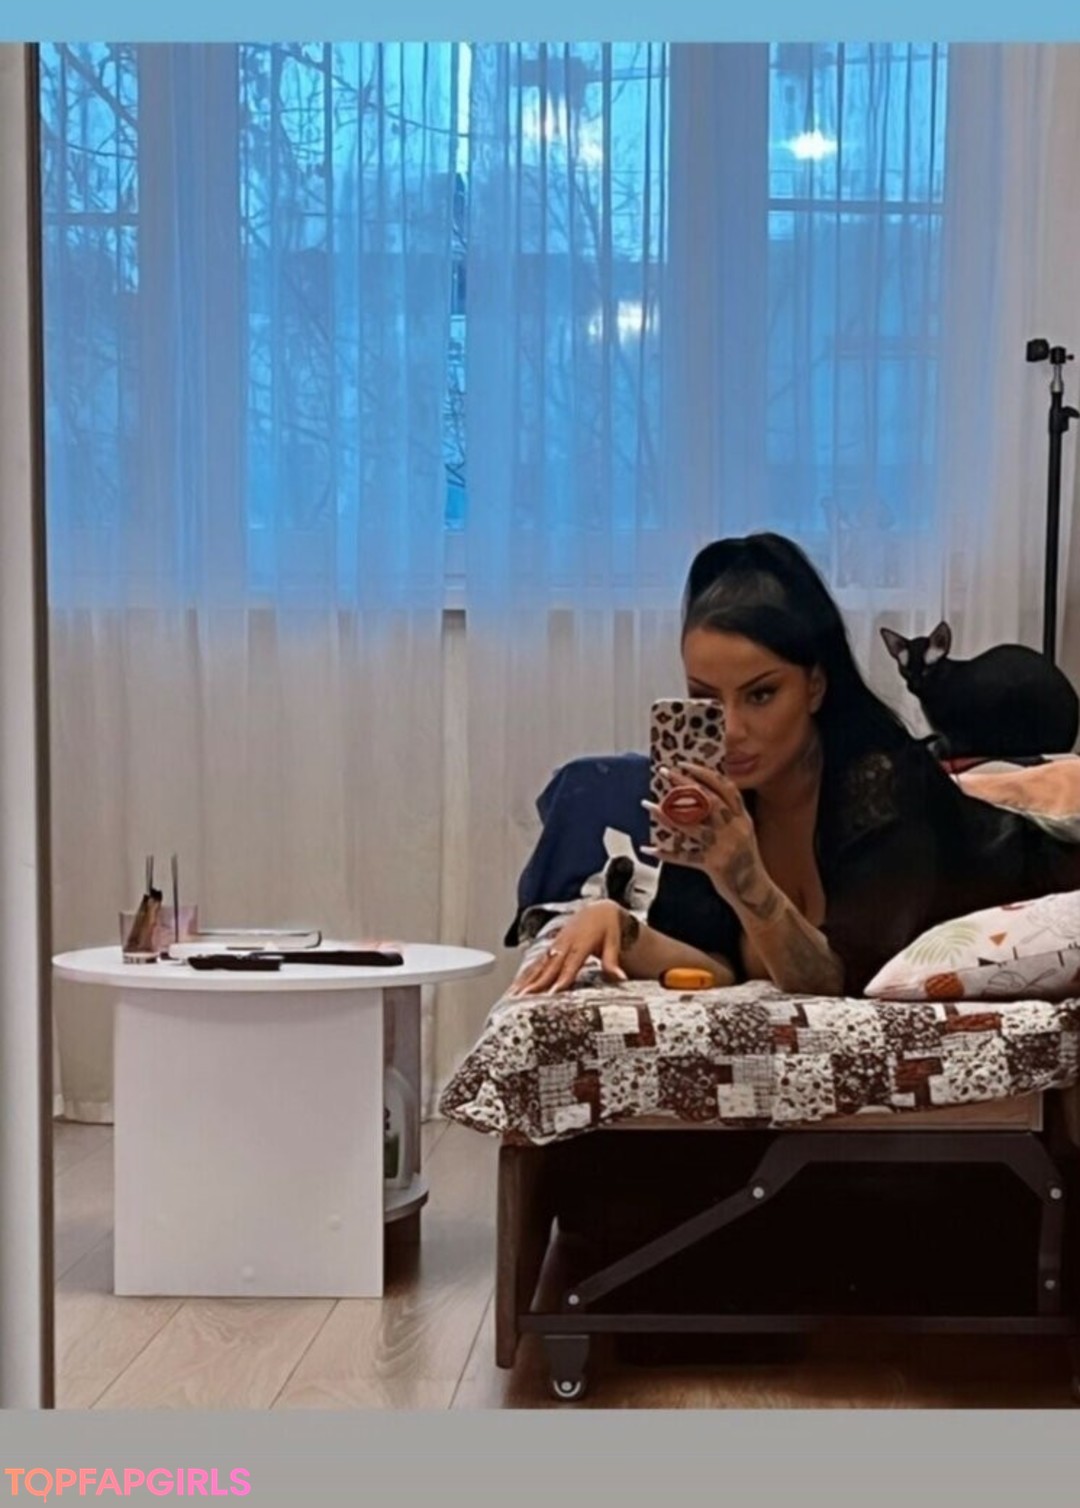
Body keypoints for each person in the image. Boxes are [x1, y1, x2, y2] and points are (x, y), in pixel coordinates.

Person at [511, 532, 1080, 999]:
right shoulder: (716, 789)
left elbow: (836, 982)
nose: (730, 730)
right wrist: (619, 925)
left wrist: (745, 877)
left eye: (760, 695)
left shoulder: (882, 781)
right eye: (706, 698)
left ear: (814, 686)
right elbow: (714, 962)